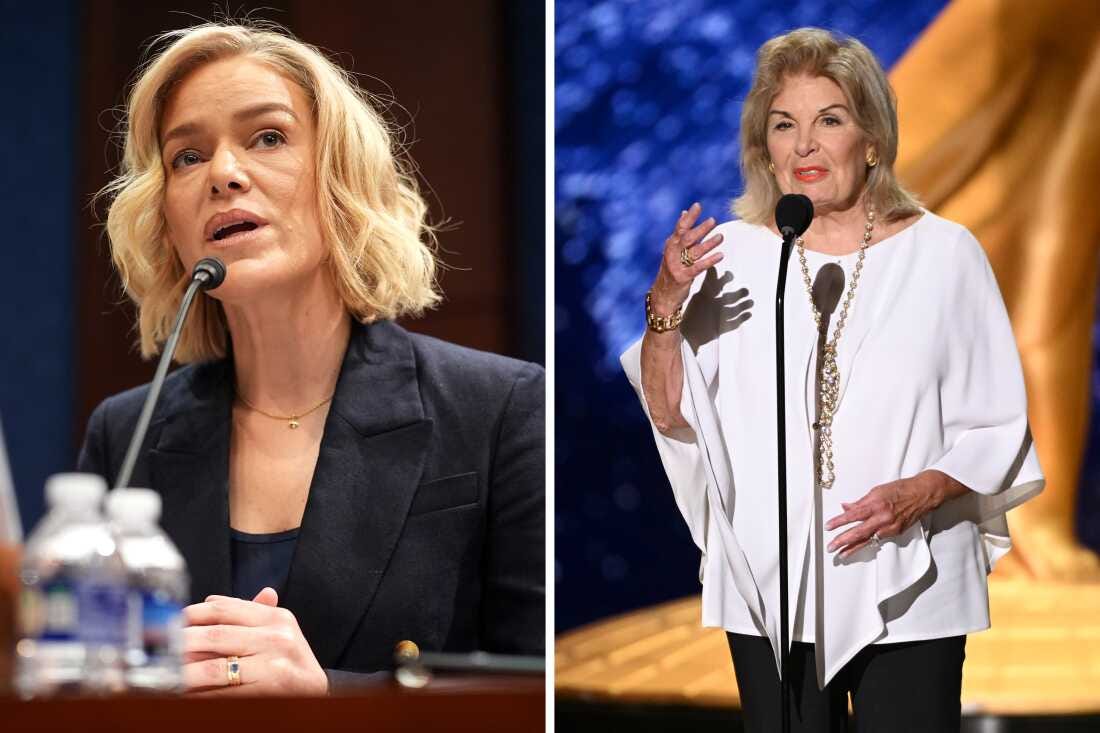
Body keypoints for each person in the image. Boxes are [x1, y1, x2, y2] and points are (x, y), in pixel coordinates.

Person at [78, 22, 544, 695]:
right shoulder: (125, 436)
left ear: (338, 179)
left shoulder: (501, 408)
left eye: (267, 137)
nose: (225, 174)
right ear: (166, 220)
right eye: (187, 157)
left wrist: (331, 696)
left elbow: (544, 691)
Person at [622, 28, 1043, 732]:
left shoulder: (946, 257)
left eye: (830, 120)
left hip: (912, 574)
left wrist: (922, 491)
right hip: (771, 584)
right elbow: (671, 412)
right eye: (784, 125)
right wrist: (666, 303)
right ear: (765, 146)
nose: (805, 145)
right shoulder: (733, 261)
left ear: (872, 140)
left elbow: (995, 425)